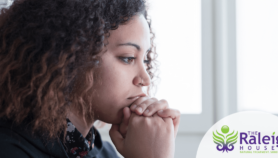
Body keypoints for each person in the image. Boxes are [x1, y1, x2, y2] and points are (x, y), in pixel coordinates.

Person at [0, 0, 181, 158]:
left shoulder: (106, 153)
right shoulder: (9, 150)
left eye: (146, 59)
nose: (145, 79)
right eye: (128, 58)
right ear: (72, 57)